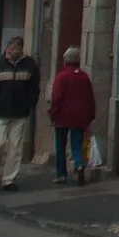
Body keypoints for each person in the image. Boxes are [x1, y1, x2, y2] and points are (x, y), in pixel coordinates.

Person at [0, 31, 41, 190]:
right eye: (13, 48)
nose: (16, 52)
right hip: (0, 112)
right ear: (7, 48)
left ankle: (9, 179)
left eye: (19, 49)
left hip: (20, 113)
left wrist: (30, 102)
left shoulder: (29, 65)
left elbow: (34, 86)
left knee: (15, 148)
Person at [48, 45, 97, 182]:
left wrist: (53, 113)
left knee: (60, 146)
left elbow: (57, 98)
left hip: (62, 117)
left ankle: (61, 174)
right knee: (77, 143)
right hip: (80, 117)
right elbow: (90, 98)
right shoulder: (84, 77)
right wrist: (90, 116)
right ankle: (79, 164)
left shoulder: (61, 77)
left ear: (65, 60)